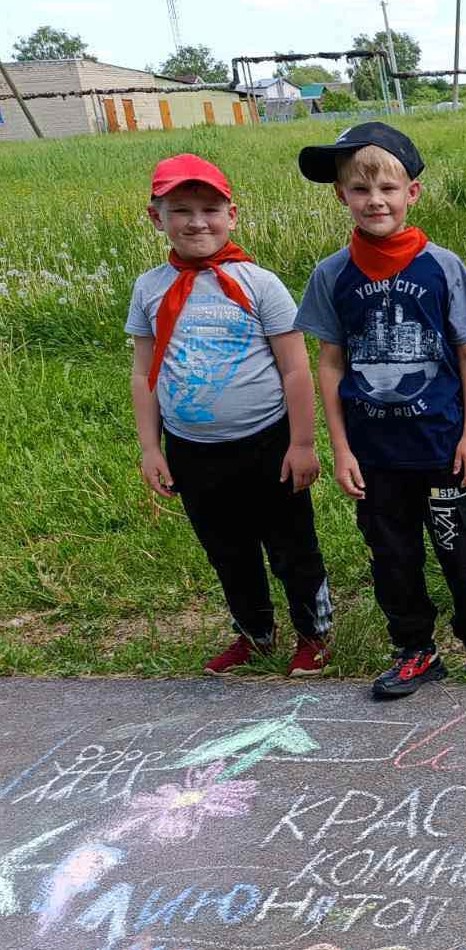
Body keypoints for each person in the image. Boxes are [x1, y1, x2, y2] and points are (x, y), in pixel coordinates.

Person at [295, 122, 466, 698]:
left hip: (440, 446)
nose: (376, 201)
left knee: (460, 552)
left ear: (411, 193)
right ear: (342, 196)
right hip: (375, 456)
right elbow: (330, 363)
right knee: (392, 558)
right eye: (360, 190)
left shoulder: (441, 266)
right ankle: (416, 649)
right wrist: (340, 448)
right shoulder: (331, 275)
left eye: (388, 189)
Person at [126, 154, 333, 677]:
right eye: (181, 210)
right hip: (192, 450)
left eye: (210, 208)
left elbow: (295, 370)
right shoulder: (149, 289)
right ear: (157, 218)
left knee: (291, 546)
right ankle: (254, 632)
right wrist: (151, 448)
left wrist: (303, 443)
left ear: (232, 214)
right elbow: (143, 373)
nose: (197, 221)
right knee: (228, 550)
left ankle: (314, 632)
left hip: (266, 442)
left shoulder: (260, 284)